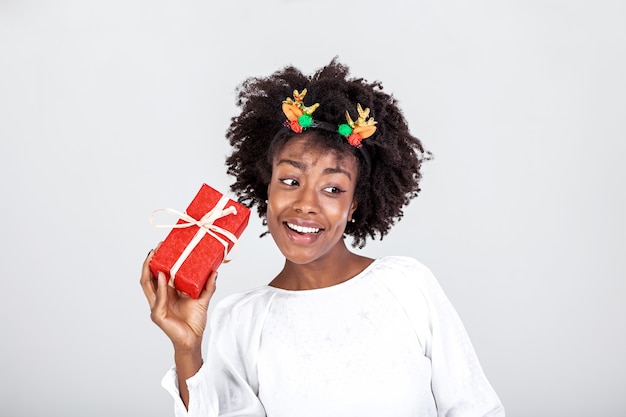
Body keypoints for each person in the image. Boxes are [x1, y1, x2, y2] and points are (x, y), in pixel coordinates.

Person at [140, 58, 505, 417]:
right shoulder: (242, 319)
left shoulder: (406, 286)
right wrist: (187, 348)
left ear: (354, 205)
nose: (306, 205)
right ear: (266, 188)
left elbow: (475, 408)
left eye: (332, 188)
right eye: (290, 181)